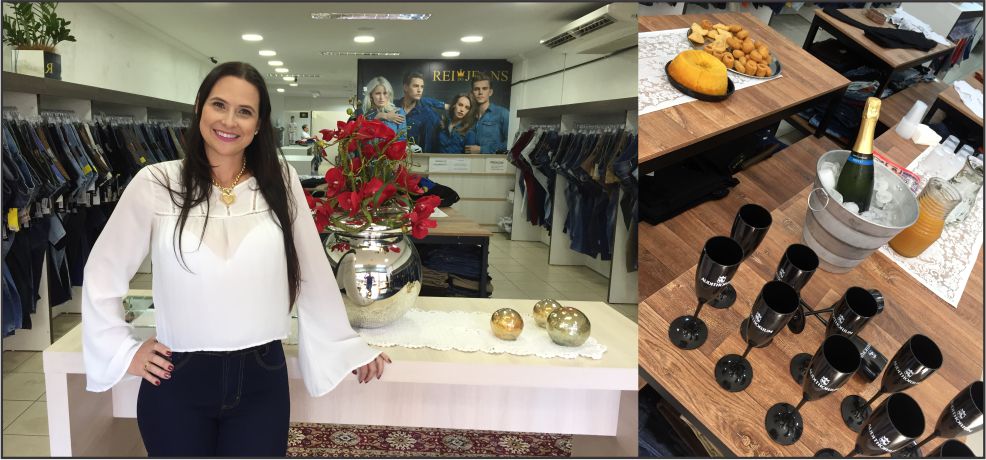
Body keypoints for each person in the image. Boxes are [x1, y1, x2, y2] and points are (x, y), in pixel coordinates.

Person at [80, 62, 390, 456]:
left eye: (244, 111)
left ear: (259, 124)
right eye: (219, 105)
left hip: (262, 378)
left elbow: (311, 271)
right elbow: (102, 271)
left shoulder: (280, 180)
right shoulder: (156, 183)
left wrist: (345, 346)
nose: (229, 121)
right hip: (178, 378)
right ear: (199, 107)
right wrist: (123, 350)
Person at [398, 72, 445, 152]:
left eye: (422, 87)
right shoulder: (392, 107)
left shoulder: (427, 113)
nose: (419, 90)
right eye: (416, 86)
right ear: (406, 87)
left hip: (415, 157)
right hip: (391, 156)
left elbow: (428, 145)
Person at [465, 72, 509, 154]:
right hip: (469, 161)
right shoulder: (468, 115)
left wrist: (482, 149)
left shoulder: (503, 113)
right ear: (472, 93)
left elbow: (510, 144)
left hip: (492, 161)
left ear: (490, 92)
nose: (480, 92)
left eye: (484, 88)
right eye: (476, 89)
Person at [362, 76, 407, 141]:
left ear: (389, 94)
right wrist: (385, 116)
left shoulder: (398, 112)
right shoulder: (364, 112)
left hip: (392, 147)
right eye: (377, 93)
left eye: (385, 93)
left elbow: (402, 138)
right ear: (371, 95)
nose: (381, 97)